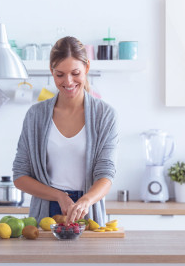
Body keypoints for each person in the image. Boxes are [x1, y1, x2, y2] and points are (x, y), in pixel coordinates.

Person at [12, 36, 118, 226]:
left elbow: (106, 174)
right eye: (60, 74)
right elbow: (20, 176)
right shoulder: (35, 115)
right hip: (46, 211)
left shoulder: (105, 115)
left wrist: (86, 200)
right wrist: (59, 196)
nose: (68, 82)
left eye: (75, 73)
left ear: (86, 68)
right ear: (51, 71)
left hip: (87, 208)